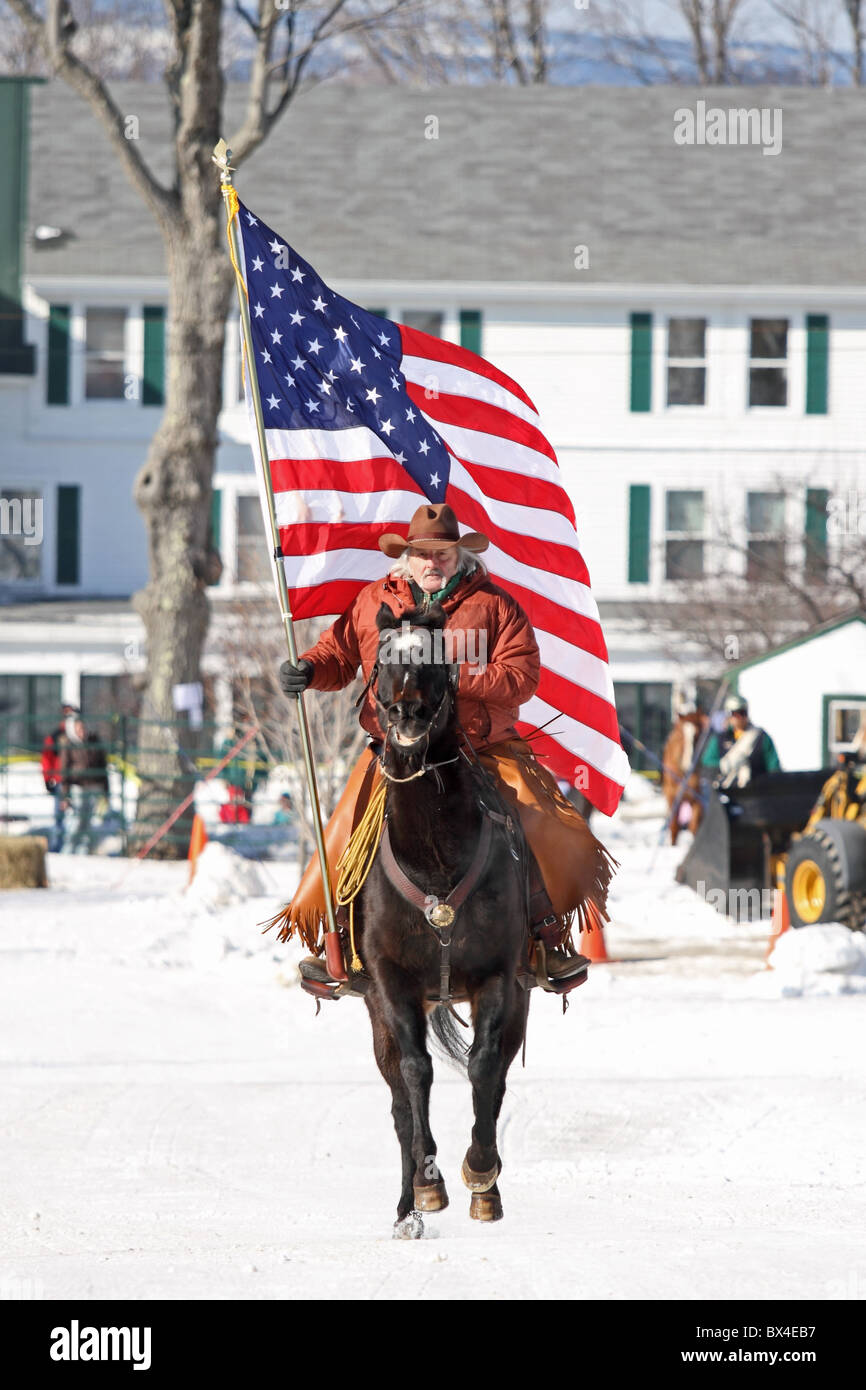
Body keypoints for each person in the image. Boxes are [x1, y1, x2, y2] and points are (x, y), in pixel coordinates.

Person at [276, 502, 613, 986]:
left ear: (461, 557)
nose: (433, 562)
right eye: (423, 553)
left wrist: (451, 674)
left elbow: (521, 678)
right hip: (396, 751)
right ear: (406, 556)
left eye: (444, 553)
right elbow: (339, 652)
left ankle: (546, 939)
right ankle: (340, 944)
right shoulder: (374, 603)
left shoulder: (496, 607)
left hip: (481, 748)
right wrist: (309, 669)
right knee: (345, 832)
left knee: (539, 823)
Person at [702, 694, 781, 790]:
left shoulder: (761, 737)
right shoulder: (720, 739)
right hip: (726, 793)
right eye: (735, 714)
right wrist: (724, 766)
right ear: (729, 715)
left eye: (743, 713)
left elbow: (773, 767)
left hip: (756, 792)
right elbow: (708, 763)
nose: (740, 718)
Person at [58, 713, 109, 854]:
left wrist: (106, 792)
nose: (82, 731)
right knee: (77, 821)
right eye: (79, 728)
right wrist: (64, 796)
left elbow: (103, 768)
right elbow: (65, 772)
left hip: (94, 788)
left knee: (90, 823)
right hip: (78, 788)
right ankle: (67, 851)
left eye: (83, 728)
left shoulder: (95, 743)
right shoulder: (69, 745)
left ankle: (84, 852)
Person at [41, 702, 79, 852]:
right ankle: (57, 847)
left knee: (77, 817)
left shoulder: (79, 736)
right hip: (60, 781)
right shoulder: (55, 736)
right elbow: (47, 758)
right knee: (60, 816)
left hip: (76, 782)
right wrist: (47, 779)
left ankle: (73, 847)